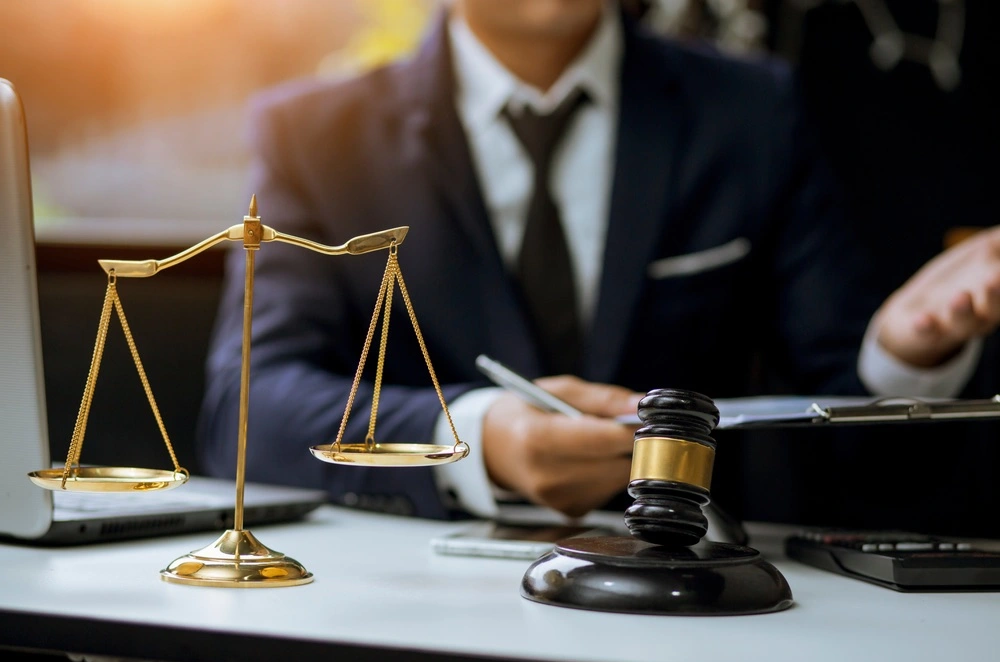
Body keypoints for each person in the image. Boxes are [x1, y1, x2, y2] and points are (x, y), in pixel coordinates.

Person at [196, 0, 1000, 523]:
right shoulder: (313, 138)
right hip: (403, 603)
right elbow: (249, 407)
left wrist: (904, 355)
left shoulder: (751, 115)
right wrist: (474, 436)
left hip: (689, 609)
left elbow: (842, 406)